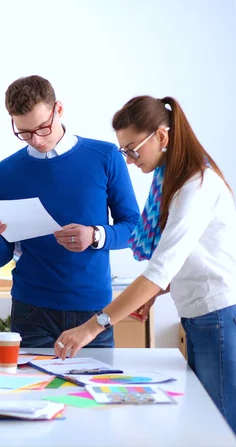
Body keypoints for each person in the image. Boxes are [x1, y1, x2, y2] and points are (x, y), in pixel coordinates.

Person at [54, 95, 236, 433]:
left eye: (133, 149)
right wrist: (156, 293)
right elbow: (182, 257)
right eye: (124, 151)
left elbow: (161, 268)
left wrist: (91, 327)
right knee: (207, 421)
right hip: (200, 316)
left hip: (217, 316)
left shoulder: (195, 185)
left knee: (219, 426)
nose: (129, 159)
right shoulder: (173, 182)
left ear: (162, 138)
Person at [0, 75, 140, 348]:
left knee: (95, 390)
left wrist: (96, 235)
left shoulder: (105, 156)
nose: (36, 140)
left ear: (58, 110)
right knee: (30, 390)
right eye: (24, 132)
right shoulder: (4, 173)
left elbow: (134, 227)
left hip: (93, 310)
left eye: (42, 128)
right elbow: (0, 258)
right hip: (31, 309)